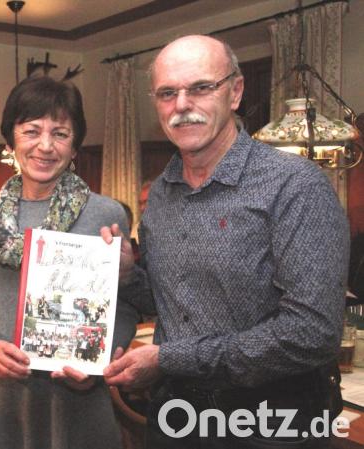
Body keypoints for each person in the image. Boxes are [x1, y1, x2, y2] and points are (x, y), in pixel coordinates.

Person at [103, 35, 349, 448]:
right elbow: (175, 306)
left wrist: (168, 359)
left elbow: (311, 333)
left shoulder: (294, 185)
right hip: (175, 417)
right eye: (167, 93)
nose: (181, 105)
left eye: (200, 87)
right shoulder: (162, 192)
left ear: (234, 92)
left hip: (272, 421)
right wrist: (129, 277)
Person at [0, 75, 140, 449]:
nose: (45, 146)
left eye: (60, 133)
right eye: (31, 131)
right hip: (5, 399)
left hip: (78, 400)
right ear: (11, 141)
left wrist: (98, 366)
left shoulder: (105, 214)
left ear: (75, 146)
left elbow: (125, 308)